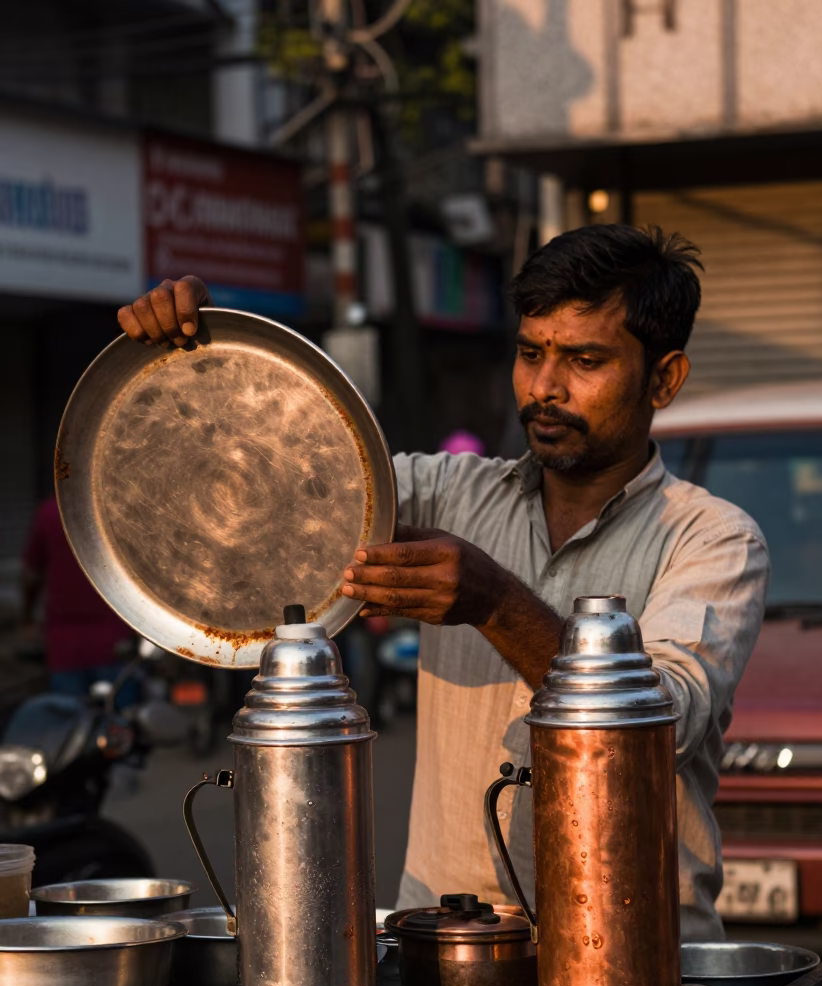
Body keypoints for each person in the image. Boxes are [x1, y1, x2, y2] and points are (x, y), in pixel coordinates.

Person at [115, 224, 769, 941]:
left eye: (585, 360)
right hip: (447, 948)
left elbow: (662, 727)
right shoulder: (448, 492)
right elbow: (275, 488)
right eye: (530, 354)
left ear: (664, 379)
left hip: (634, 954)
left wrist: (495, 603)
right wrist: (199, 358)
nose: (546, 387)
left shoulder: (712, 538)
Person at [22, 496, 135, 703]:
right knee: (120, 726)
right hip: (112, 641)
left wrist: (27, 616)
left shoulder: (48, 513)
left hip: (65, 647)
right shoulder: (113, 510)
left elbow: (31, 576)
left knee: (71, 727)